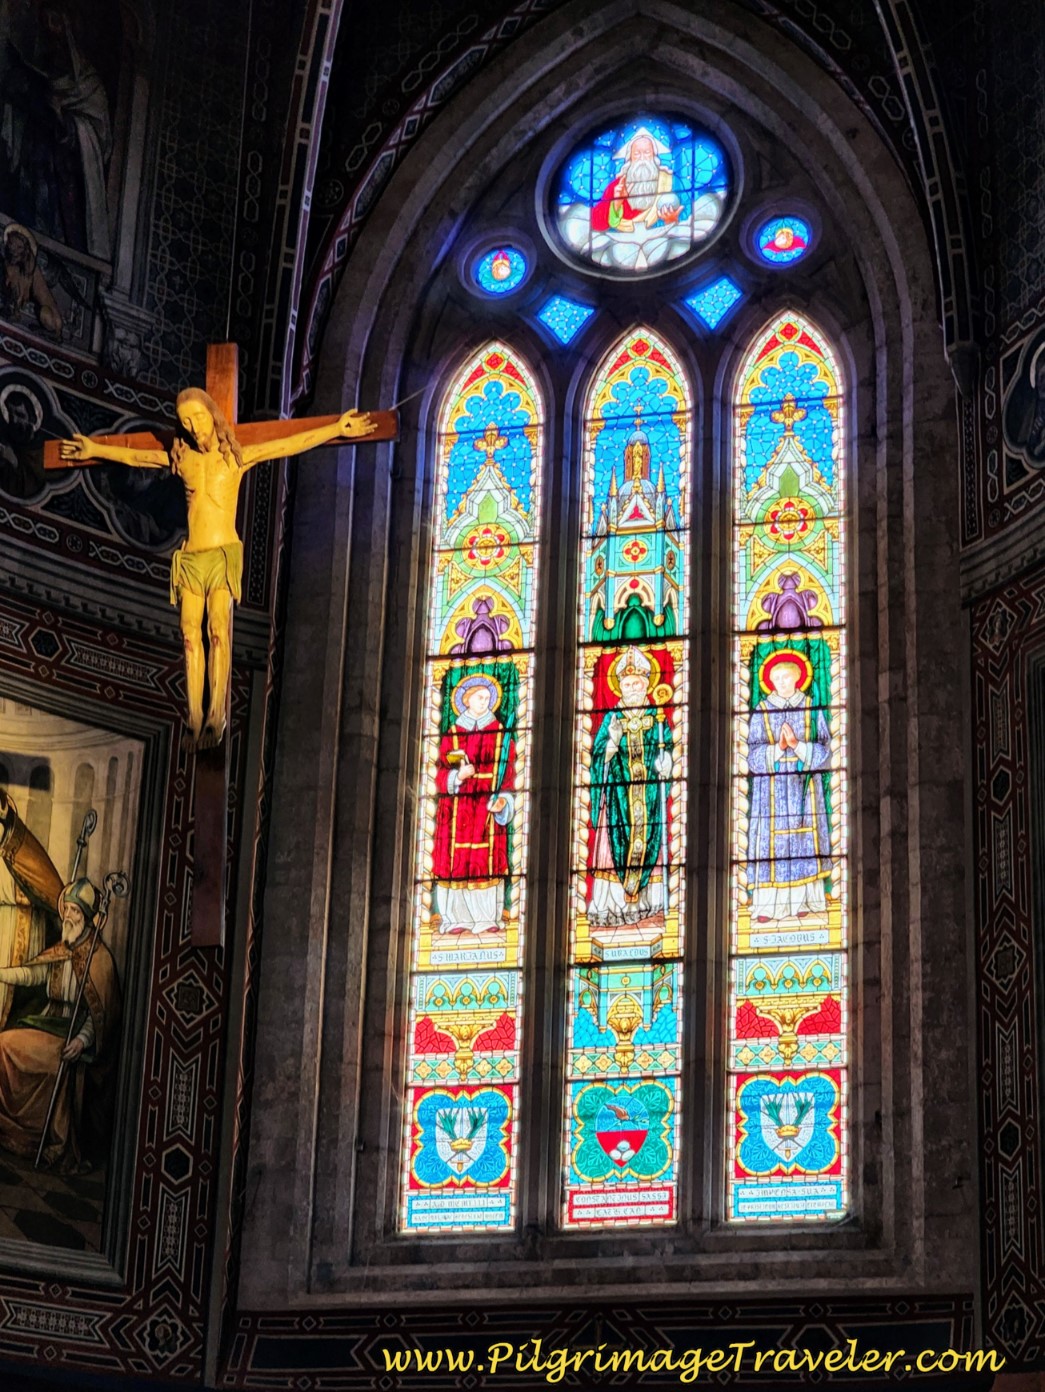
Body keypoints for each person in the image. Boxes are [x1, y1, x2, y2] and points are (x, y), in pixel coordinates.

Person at [58, 389, 377, 748]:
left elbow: (289, 443)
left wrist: (336, 428)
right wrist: (95, 449)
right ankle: (193, 717)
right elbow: (137, 457)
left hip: (223, 555)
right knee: (189, 638)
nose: (194, 427)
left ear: (213, 415)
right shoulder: (184, 460)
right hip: (192, 558)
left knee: (217, 631)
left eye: (199, 417)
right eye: (186, 422)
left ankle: (216, 715)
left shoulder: (235, 457)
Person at [0, 832, 120, 1171]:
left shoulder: (99, 960)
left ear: (87, 917)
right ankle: (13, 1128)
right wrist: (2, 972)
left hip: (71, 1037)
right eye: (65, 910)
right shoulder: (62, 949)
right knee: (5, 1044)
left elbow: (99, 1014)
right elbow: (34, 975)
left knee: (58, 1067)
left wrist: (82, 1041)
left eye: (74, 912)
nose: (67, 916)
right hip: (47, 1023)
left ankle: (53, 1139)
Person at [587, 646, 672, 926]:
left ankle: (650, 903)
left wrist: (666, 762)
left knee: (651, 843)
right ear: (619, 686)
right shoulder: (612, 718)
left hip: (649, 797)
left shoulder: (656, 718)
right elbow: (598, 755)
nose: (633, 688)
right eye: (627, 684)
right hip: (617, 795)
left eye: (637, 683)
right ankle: (612, 906)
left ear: (646, 684)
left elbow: (668, 745)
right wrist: (611, 742)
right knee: (611, 848)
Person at [745, 650, 831, 924]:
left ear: (798, 679)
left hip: (803, 788)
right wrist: (777, 749)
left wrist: (798, 746)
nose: (782, 682)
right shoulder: (761, 711)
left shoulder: (810, 707)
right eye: (777, 678)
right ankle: (769, 907)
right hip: (770, 790)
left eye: (787, 677)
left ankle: (805, 900)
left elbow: (827, 751)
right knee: (772, 846)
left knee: (804, 841)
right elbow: (751, 756)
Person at [431, 674, 516, 935]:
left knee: (486, 859)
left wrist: (503, 800)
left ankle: (486, 918)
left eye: (488, 698)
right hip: (456, 811)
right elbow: (437, 774)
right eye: (480, 697)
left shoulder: (501, 734)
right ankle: (455, 918)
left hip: (487, 809)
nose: (485, 702)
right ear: (466, 700)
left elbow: (510, 774)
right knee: (454, 860)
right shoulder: (452, 735)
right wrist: (458, 776)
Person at [591, 132, 675, 234]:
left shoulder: (667, 181)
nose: (642, 158)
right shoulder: (617, 187)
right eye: (636, 153)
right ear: (629, 158)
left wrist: (671, 220)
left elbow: (686, 215)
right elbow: (596, 223)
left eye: (647, 152)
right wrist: (616, 204)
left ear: (654, 155)